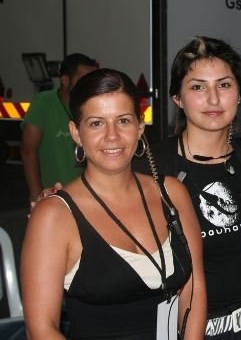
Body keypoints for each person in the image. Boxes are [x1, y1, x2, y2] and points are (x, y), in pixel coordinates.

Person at [21, 68, 206, 339]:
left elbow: (194, 288)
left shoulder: (171, 193)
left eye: (123, 121)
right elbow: (41, 329)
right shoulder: (55, 215)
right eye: (97, 123)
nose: (112, 136)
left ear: (140, 127)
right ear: (76, 132)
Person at [137, 36, 241, 339]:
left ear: (239, 94)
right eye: (198, 87)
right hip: (180, 330)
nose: (213, 99)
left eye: (224, 85)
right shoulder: (151, 166)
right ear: (177, 98)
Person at [21, 53, 97, 201]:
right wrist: (37, 196)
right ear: (65, 80)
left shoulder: (91, 105)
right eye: (83, 80)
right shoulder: (44, 102)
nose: (89, 85)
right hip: (53, 195)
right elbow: (28, 150)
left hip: (86, 195)